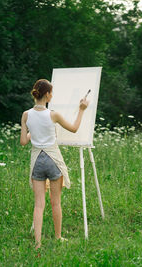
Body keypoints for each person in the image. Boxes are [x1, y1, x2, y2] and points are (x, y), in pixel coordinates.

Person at [20, 79, 88, 249]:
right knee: (55, 202)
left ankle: (37, 243)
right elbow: (74, 128)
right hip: (52, 159)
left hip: (37, 161)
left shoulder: (26, 115)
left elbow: (23, 141)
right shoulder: (53, 114)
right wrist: (81, 109)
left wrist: (32, 133)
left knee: (38, 204)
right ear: (48, 95)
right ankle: (58, 237)